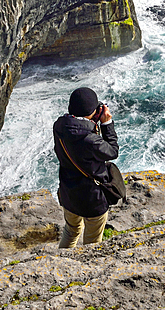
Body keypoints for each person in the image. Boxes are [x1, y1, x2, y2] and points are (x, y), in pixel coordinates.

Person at [52, 87, 118, 248]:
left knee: (71, 230)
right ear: (93, 112)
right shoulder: (90, 140)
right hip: (92, 199)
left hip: (68, 193)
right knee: (92, 243)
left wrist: (91, 122)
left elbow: (76, 133)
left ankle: (62, 263)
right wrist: (106, 123)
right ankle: (85, 268)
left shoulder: (59, 126)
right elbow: (112, 151)